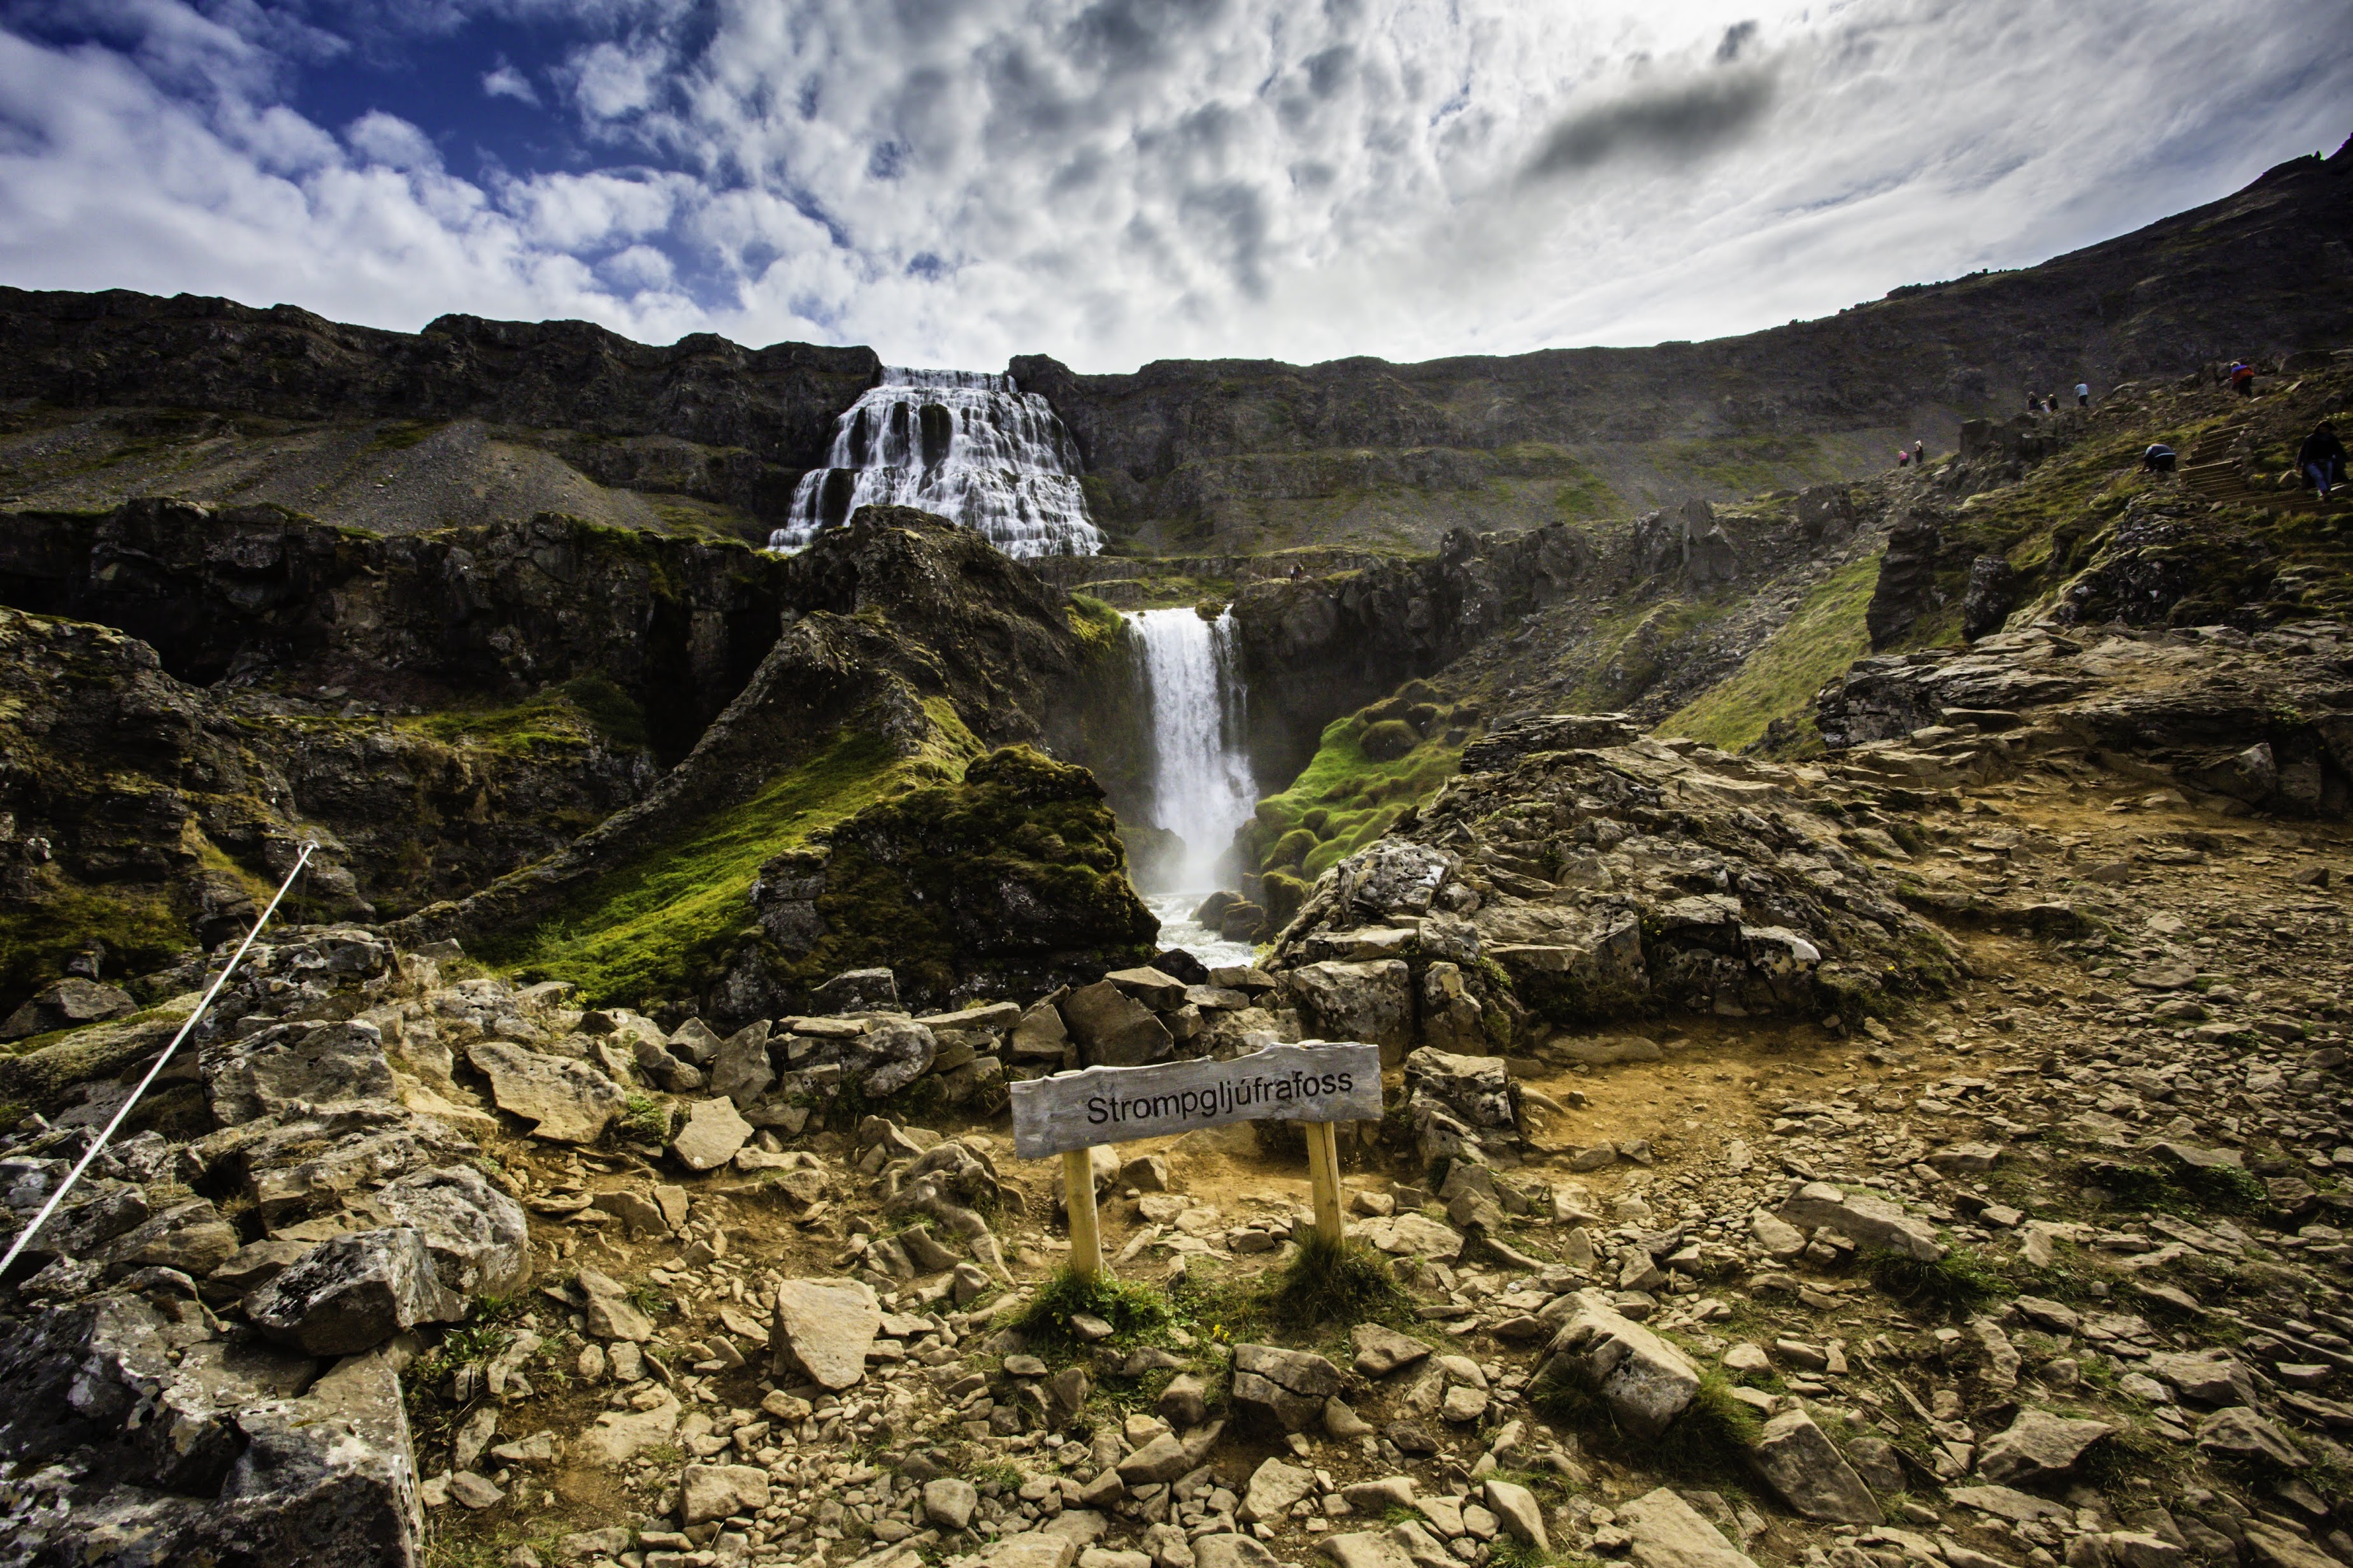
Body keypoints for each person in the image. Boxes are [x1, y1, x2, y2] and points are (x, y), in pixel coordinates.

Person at [2301, 423, 2347, 500]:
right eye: (2321, 429)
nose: (2323, 431)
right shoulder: (2311, 439)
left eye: (2325, 429)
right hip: (2311, 462)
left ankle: (2327, 495)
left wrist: (2343, 459)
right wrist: (2299, 463)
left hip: (2327, 461)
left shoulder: (2332, 438)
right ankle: (2325, 493)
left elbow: (2339, 450)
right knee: (2318, 476)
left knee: (2327, 479)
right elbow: (2303, 451)